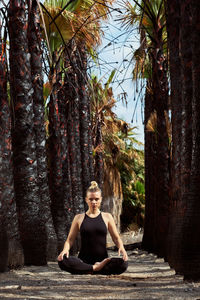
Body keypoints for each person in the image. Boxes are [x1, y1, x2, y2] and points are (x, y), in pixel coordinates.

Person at [57, 181, 128, 275]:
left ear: (101, 199)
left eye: (96, 199)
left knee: (124, 264)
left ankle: (89, 269)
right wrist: (65, 250)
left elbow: (116, 238)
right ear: (86, 199)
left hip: (103, 261)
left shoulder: (107, 217)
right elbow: (70, 240)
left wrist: (122, 248)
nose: (94, 202)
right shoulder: (78, 218)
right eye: (91, 199)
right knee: (61, 261)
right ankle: (94, 268)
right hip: (83, 261)